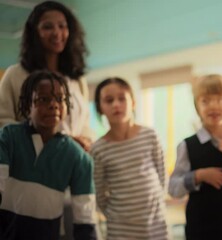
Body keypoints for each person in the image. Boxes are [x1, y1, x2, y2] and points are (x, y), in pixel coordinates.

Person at [0, 70, 97, 240]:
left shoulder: (78, 157)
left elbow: (85, 218)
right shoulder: (8, 138)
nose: (54, 105)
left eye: (60, 99)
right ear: (27, 105)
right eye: (44, 99)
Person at [0, 0, 92, 151]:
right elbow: (3, 122)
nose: (57, 33)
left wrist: (85, 140)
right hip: (33, 166)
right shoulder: (15, 74)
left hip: (73, 163)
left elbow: (85, 123)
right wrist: (49, 140)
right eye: (47, 27)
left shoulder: (77, 78)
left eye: (62, 26)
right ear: (34, 32)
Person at [90, 77, 168, 240]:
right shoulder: (98, 149)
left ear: (133, 102)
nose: (116, 104)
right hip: (121, 229)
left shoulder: (150, 135)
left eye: (121, 98)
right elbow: (99, 193)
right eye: (109, 100)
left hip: (156, 224)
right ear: (100, 108)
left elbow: (161, 175)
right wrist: (114, 215)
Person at [168, 74, 222, 240]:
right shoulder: (187, 145)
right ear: (197, 108)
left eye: (220, 100)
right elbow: (173, 189)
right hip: (199, 230)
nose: (213, 106)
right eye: (206, 101)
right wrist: (198, 175)